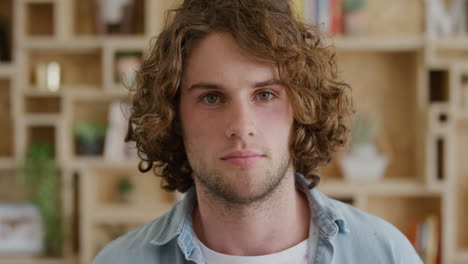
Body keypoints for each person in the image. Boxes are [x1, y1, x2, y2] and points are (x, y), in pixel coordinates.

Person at [92, 0, 423, 263]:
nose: (241, 127)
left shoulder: (385, 254)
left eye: (265, 95)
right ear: (173, 117)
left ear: (301, 108)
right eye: (211, 97)